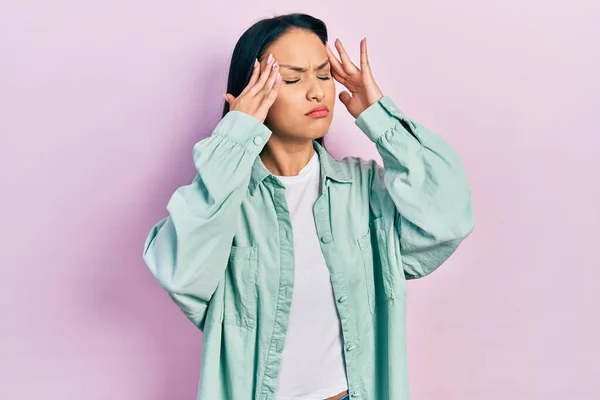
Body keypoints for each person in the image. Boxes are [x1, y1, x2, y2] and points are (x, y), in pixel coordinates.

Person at [142, 12, 474, 400]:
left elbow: (447, 219)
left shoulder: (363, 190)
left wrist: (379, 114)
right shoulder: (225, 203)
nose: (317, 92)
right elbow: (182, 274)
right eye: (294, 78)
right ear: (252, 93)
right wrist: (234, 137)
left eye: (323, 75)